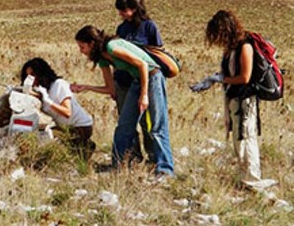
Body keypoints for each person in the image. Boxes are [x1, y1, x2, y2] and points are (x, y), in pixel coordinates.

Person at [71, 25, 174, 176]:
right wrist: (85, 87)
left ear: (92, 43)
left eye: (82, 46)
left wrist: (144, 95)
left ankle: (165, 170)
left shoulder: (112, 47)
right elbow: (110, 89)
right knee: (124, 126)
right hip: (137, 81)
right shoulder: (102, 59)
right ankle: (118, 166)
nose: (81, 51)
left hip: (152, 77)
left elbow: (143, 65)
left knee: (157, 126)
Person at [191, 10, 276, 190]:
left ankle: (252, 180)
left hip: (245, 99)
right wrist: (212, 79)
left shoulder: (245, 46)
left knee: (246, 137)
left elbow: (245, 77)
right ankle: (246, 176)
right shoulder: (230, 48)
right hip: (233, 98)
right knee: (239, 138)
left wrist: (220, 79)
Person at [114, 0, 164, 164]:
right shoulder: (121, 28)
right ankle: (133, 157)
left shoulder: (149, 26)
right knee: (127, 123)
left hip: (143, 82)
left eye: (123, 10)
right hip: (123, 82)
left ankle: (153, 157)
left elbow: (157, 54)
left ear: (134, 8)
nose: (121, 14)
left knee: (147, 122)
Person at [20, 57, 95, 160]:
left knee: (44, 138)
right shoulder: (44, 90)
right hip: (65, 127)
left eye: (33, 74)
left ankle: (82, 148)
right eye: (28, 75)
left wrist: (48, 101)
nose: (31, 79)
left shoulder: (59, 85)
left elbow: (67, 112)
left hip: (80, 127)